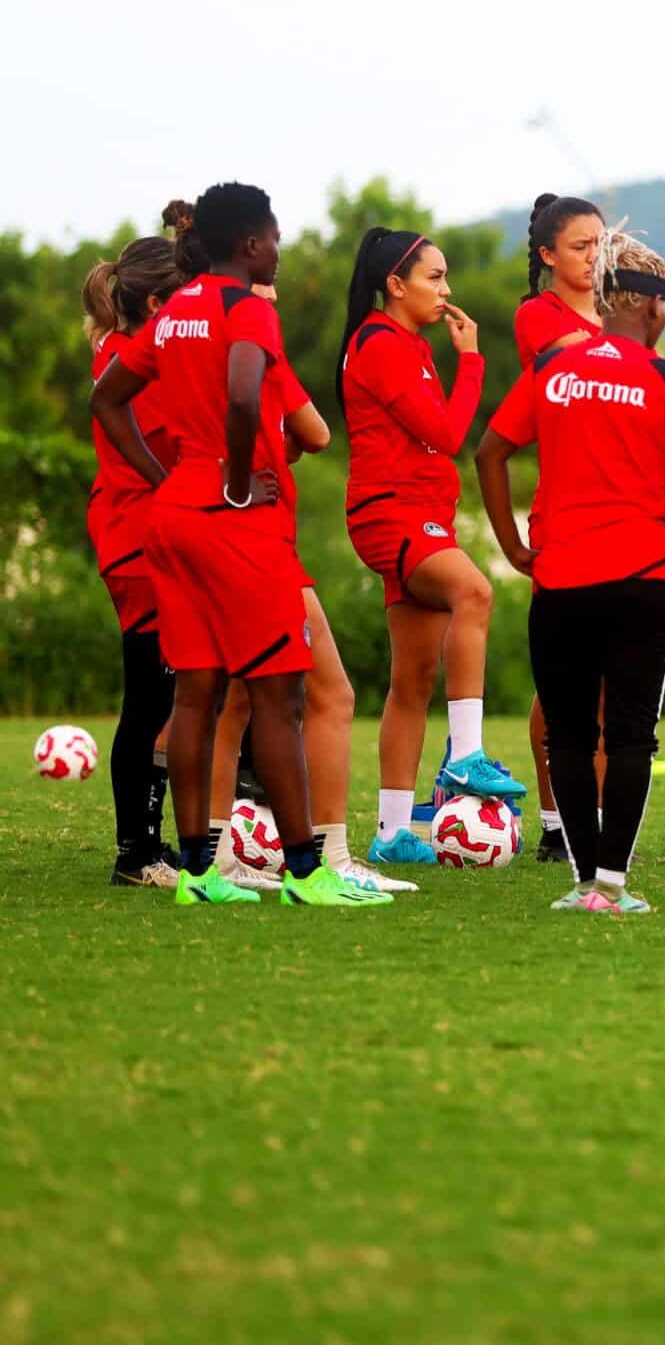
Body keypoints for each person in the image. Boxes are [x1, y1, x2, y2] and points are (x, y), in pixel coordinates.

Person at [91, 182, 388, 907]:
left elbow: (106, 397)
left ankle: (197, 874)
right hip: (233, 519)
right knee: (278, 696)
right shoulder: (244, 308)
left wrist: (170, 478)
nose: (280, 251)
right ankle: (307, 873)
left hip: (172, 517)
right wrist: (229, 480)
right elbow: (246, 392)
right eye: (275, 237)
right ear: (250, 243)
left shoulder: (175, 313)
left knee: (194, 696)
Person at [478, 230, 665, 913]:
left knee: (566, 734)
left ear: (600, 304)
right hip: (645, 581)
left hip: (560, 579)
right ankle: (612, 885)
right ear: (656, 314)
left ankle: (578, 884)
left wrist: (514, 546)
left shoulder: (551, 368)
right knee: (631, 735)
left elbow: (489, 451)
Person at [337, 226, 522, 875]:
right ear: (396, 282)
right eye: (435, 277)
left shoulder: (407, 344)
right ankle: (465, 755)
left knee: (411, 679)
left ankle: (391, 831)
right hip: (394, 515)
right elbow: (445, 434)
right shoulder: (381, 343)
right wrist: (471, 362)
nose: (447, 290)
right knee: (474, 589)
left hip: (413, 514)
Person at [81, 231, 187, 886]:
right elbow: (166, 447)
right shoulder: (137, 366)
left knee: (158, 696)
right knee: (151, 700)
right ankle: (137, 851)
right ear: (153, 304)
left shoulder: (123, 347)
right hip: (140, 543)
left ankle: (147, 845)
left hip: (135, 538)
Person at [512, 192, 608, 862]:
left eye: (600, 245)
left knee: (606, 688)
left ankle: (591, 824)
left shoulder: (609, 318)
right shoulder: (536, 315)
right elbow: (566, 365)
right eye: (580, 246)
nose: (593, 257)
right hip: (563, 515)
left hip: (619, 510)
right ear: (548, 255)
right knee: (563, 682)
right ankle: (554, 823)